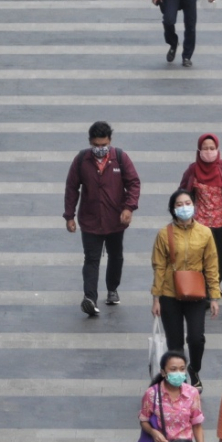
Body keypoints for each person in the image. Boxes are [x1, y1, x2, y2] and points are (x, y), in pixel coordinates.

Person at [64, 121, 141, 316]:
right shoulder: (81, 160)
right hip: (90, 221)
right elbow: (72, 188)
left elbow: (133, 183)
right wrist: (69, 216)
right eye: (96, 145)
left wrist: (129, 208)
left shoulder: (121, 158)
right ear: (90, 142)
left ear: (110, 141)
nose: (100, 148)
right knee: (91, 259)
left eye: (103, 144)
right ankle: (90, 298)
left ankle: (112, 289)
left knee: (116, 257)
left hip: (116, 221)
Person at [151, 189, 222, 388]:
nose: (184, 207)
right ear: (173, 209)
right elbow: (159, 266)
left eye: (188, 203)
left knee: (196, 337)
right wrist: (156, 298)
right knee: (175, 344)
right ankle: (179, 379)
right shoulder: (165, 234)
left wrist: (214, 297)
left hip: (196, 294)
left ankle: (194, 369)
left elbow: (211, 265)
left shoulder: (204, 232)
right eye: (179, 204)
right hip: (169, 295)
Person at [178, 133, 222, 285]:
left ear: (217, 149)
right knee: (201, 257)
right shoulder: (193, 170)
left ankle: (215, 286)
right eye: (205, 148)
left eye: (212, 148)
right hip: (199, 224)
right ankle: (203, 288)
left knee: (221, 258)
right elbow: (181, 192)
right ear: (199, 150)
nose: (209, 151)